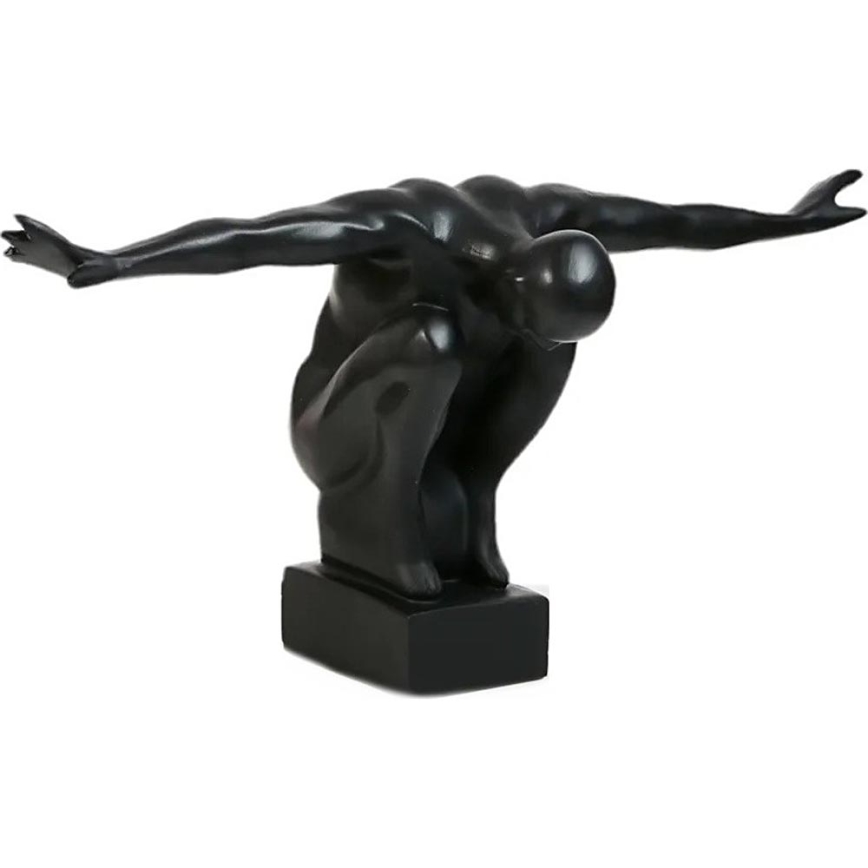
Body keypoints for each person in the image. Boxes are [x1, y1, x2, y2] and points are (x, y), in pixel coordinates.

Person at [4, 170, 863, 598]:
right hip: (335, 427)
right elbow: (253, 237)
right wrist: (108, 261)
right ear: (512, 279)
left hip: (444, 427)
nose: (526, 333)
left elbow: (675, 222)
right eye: (525, 316)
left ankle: (475, 498)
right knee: (433, 338)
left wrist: (789, 223)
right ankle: (385, 530)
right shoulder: (410, 229)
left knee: (548, 353)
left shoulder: (547, 219)